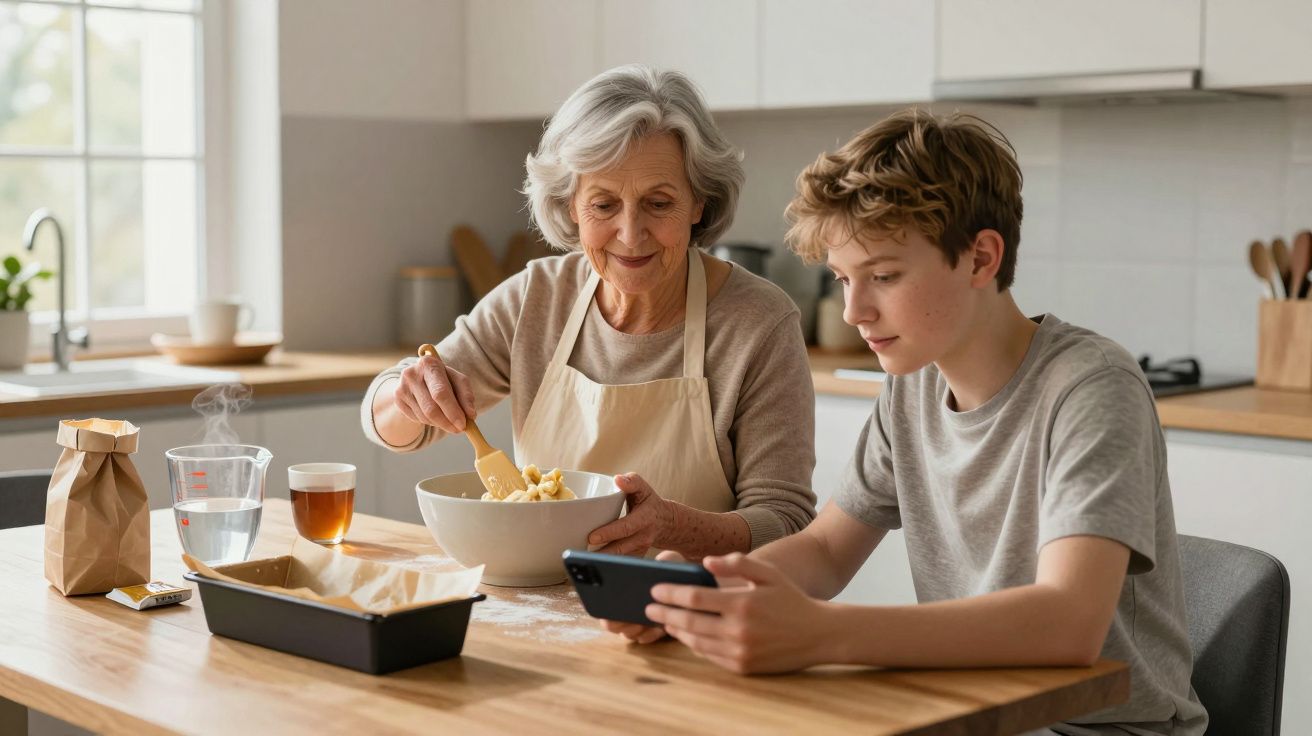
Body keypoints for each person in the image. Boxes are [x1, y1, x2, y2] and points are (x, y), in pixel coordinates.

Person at [631, 108, 1208, 735]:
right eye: (843, 279)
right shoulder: (911, 389)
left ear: (982, 258)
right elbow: (824, 551)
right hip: (972, 714)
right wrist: (691, 598)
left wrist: (823, 634)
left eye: (883, 276)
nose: (854, 311)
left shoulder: (1091, 388)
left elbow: (1068, 623)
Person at [360, 65, 816, 578]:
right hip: (542, 600)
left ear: (698, 204)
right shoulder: (538, 298)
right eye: (603, 204)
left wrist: (672, 528)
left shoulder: (758, 323)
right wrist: (408, 396)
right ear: (571, 208)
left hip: (691, 617)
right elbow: (390, 427)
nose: (630, 233)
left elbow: (786, 522)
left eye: (659, 203)